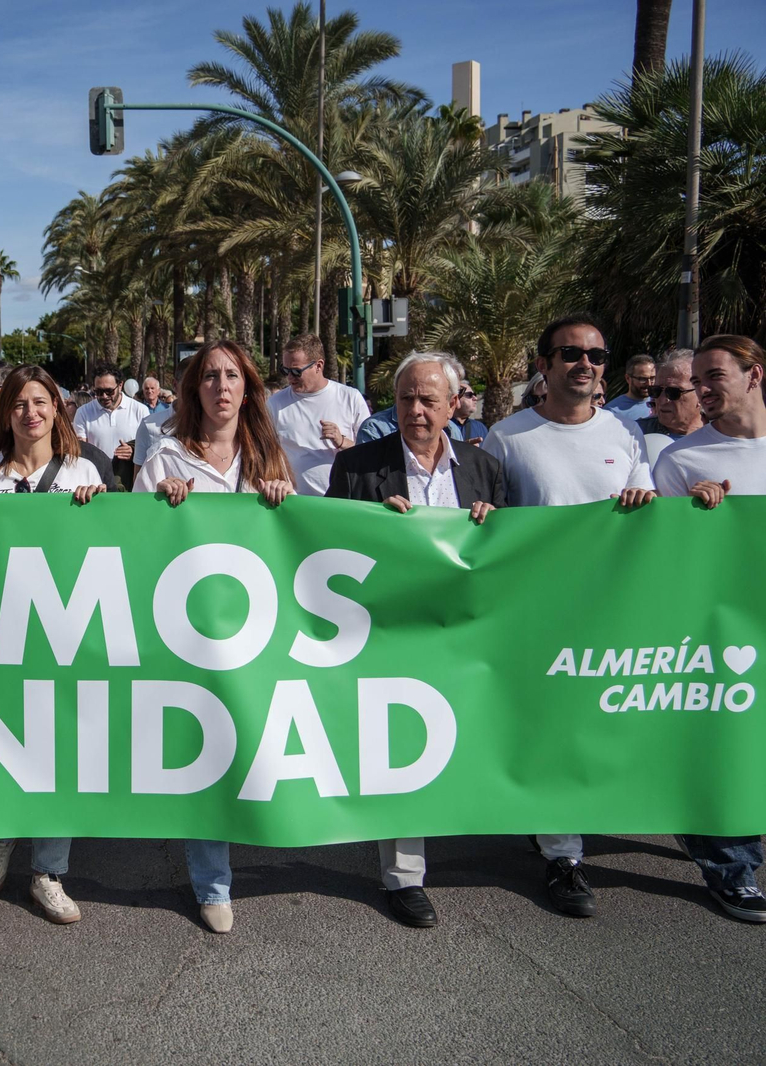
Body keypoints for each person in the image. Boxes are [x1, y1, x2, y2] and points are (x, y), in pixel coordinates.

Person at [481, 312, 654, 918]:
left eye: (597, 355)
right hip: (540, 615)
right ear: (544, 364)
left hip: (614, 610)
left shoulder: (625, 434)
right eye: (572, 354)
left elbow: (651, 512)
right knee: (553, 730)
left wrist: (651, 502)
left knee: (601, 724)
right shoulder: (507, 436)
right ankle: (563, 857)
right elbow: (486, 518)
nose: (586, 364)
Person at [326, 354, 506, 929]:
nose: (416, 411)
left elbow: (510, 555)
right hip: (391, 634)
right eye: (406, 399)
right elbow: (325, 548)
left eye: (429, 400)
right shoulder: (357, 467)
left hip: (467, 635)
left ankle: (554, 854)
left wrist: (493, 525)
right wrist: (371, 525)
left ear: (454, 405)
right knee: (401, 746)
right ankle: (404, 878)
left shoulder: (485, 468)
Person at [132, 341, 296, 933]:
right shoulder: (165, 459)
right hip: (189, 637)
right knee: (206, 751)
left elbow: (297, 547)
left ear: (247, 388)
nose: (221, 387)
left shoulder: (268, 458)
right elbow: (133, 547)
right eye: (209, 377)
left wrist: (284, 501)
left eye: (231, 376)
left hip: (257, 635)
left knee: (255, 743)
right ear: (193, 389)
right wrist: (160, 507)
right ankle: (213, 883)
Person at [0, 365, 106, 924]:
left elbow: (108, 548)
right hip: (0, 630)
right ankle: (1, 835)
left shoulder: (84, 470)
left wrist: (101, 507)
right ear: (4, 412)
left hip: (64, 632)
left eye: (40, 402)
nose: (30, 413)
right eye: (19, 403)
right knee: (0, 738)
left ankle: (48, 870)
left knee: (58, 748)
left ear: (56, 409)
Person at [648, 335, 766, 922]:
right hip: (723, 632)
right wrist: (698, 521)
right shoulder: (681, 461)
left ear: (754, 375)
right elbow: (669, 561)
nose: (702, 390)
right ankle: (731, 869)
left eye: (714, 376)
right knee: (726, 746)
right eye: (696, 381)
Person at [267, 334, 371, 495]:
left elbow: (370, 453)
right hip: (295, 502)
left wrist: (341, 441)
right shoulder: (275, 404)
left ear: (318, 366)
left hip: (343, 500)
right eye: (285, 370)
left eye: (296, 371)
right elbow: (265, 453)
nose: (289, 377)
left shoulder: (350, 398)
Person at [72, 364, 150, 490]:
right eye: (98, 392)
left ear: (120, 385)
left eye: (109, 391)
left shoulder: (140, 410)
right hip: (95, 483)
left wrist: (134, 451)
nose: (104, 396)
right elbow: (80, 450)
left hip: (128, 483)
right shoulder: (83, 412)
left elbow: (150, 449)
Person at [637, 350, 702, 464]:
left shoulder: (723, 435)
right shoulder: (634, 435)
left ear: (700, 394)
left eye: (673, 392)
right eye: (656, 391)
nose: (662, 400)